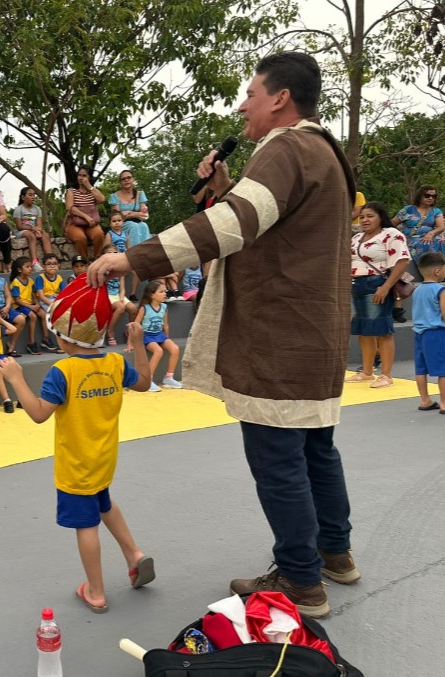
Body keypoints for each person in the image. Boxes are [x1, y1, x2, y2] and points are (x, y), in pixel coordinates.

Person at [86, 52, 359, 617]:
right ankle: (335, 554)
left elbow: (231, 225)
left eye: (252, 94)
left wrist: (135, 257)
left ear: (280, 98)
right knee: (314, 450)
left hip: (280, 336)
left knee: (278, 458)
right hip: (315, 334)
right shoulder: (322, 151)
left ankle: (301, 581)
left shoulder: (285, 148)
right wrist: (228, 185)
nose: (243, 105)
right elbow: (262, 221)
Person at [0, 277, 154, 613]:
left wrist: (16, 379)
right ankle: (134, 553)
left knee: (86, 524)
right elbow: (144, 383)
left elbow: (39, 414)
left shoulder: (63, 371)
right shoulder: (114, 363)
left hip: (76, 465)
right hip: (104, 458)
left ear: (60, 335)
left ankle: (96, 592)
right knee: (104, 502)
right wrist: (137, 343)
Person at [346, 202, 410, 388]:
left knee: (381, 329)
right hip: (355, 284)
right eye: (363, 216)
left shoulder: (392, 234)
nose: (365, 220)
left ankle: (386, 375)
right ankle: (367, 372)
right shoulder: (357, 237)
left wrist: (386, 287)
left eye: (370, 216)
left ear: (381, 217)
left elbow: (402, 261)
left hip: (376, 283)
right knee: (363, 330)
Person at [392, 186, 444, 323]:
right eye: (427, 195)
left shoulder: (435, 211)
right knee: (424, 243)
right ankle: (434, 269)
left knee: (440, 239)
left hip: (430, 237)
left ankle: (439, 269)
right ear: (420, 195)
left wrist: (431, 232)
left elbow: (440, 226)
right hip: (411, 240)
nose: (431, 198)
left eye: (434, 196)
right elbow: (392, 223)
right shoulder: (408, 210)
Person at [410, 252, 445, 412]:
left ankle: (425, 400)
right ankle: (444, 403)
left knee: (421, 368)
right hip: (436, 333)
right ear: (438, 271)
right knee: (443, 369)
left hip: (419, 333)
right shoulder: (441, 290)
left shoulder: (417, 290)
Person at [131, 281, 181, 391]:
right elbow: (135, 326)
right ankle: (147, 380)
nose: (165, 294)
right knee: (158, 351)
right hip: (147, 336)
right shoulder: (145, 308)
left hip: (160, 335)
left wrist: (167, 339)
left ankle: (169, 377)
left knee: (175, 349)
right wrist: (131, 343)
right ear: (152, 295)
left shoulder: (164, 307)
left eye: (165, 291)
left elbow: (166, 325)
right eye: (161, 292)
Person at [108, 169, 149, 294]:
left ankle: (146, 256)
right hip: (123, 225)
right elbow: (118, 216)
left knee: (144, 226)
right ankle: (134, 257)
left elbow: (145, 215)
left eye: (128, 177)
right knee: (134, 226)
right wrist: (135, 214)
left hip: (137, 222)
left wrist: (129, 213)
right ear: (120, 182)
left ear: (133, 179)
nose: (126, 180)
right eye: (123, 179)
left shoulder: (140, 194)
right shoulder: (114, 197)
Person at [10, 256, 53, 355]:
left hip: (30, 304)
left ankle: (46, 338)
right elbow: (17, 300)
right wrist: (31, 307)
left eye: (30, 267)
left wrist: (37, 304)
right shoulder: (16, 282)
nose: (30, 269)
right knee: (33, 316)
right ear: (20, 269)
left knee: (43, 314)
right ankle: (31, 342)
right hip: (19, 305)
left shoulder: (30, 281)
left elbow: (34, 295)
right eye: (27, 267)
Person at [64, 165, 105, 260]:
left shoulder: (93, 191)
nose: (81, 178)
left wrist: (89, 186)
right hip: (75, 223)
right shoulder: (71, 191)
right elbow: (70, 208)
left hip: (91, 224)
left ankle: (98, 258)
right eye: (79, 175)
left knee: (99, 234)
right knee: (80, 238)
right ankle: (84, 261)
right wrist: (85, 216)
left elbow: (102, 199)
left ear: (89, 177)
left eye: (84, 175)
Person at [12, 187, 53, 271]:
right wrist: (32, 228)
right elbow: (19, 226)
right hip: (22, 231)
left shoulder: (37, 209)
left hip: (34, 230)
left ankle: (50, 259)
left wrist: (38, 230)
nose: (33, 197)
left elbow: (39, 224)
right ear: (23, 197)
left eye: (34, 195)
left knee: (45, 235)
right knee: (31, 236)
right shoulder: (18, 209)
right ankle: (34, 262)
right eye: (30, 195)